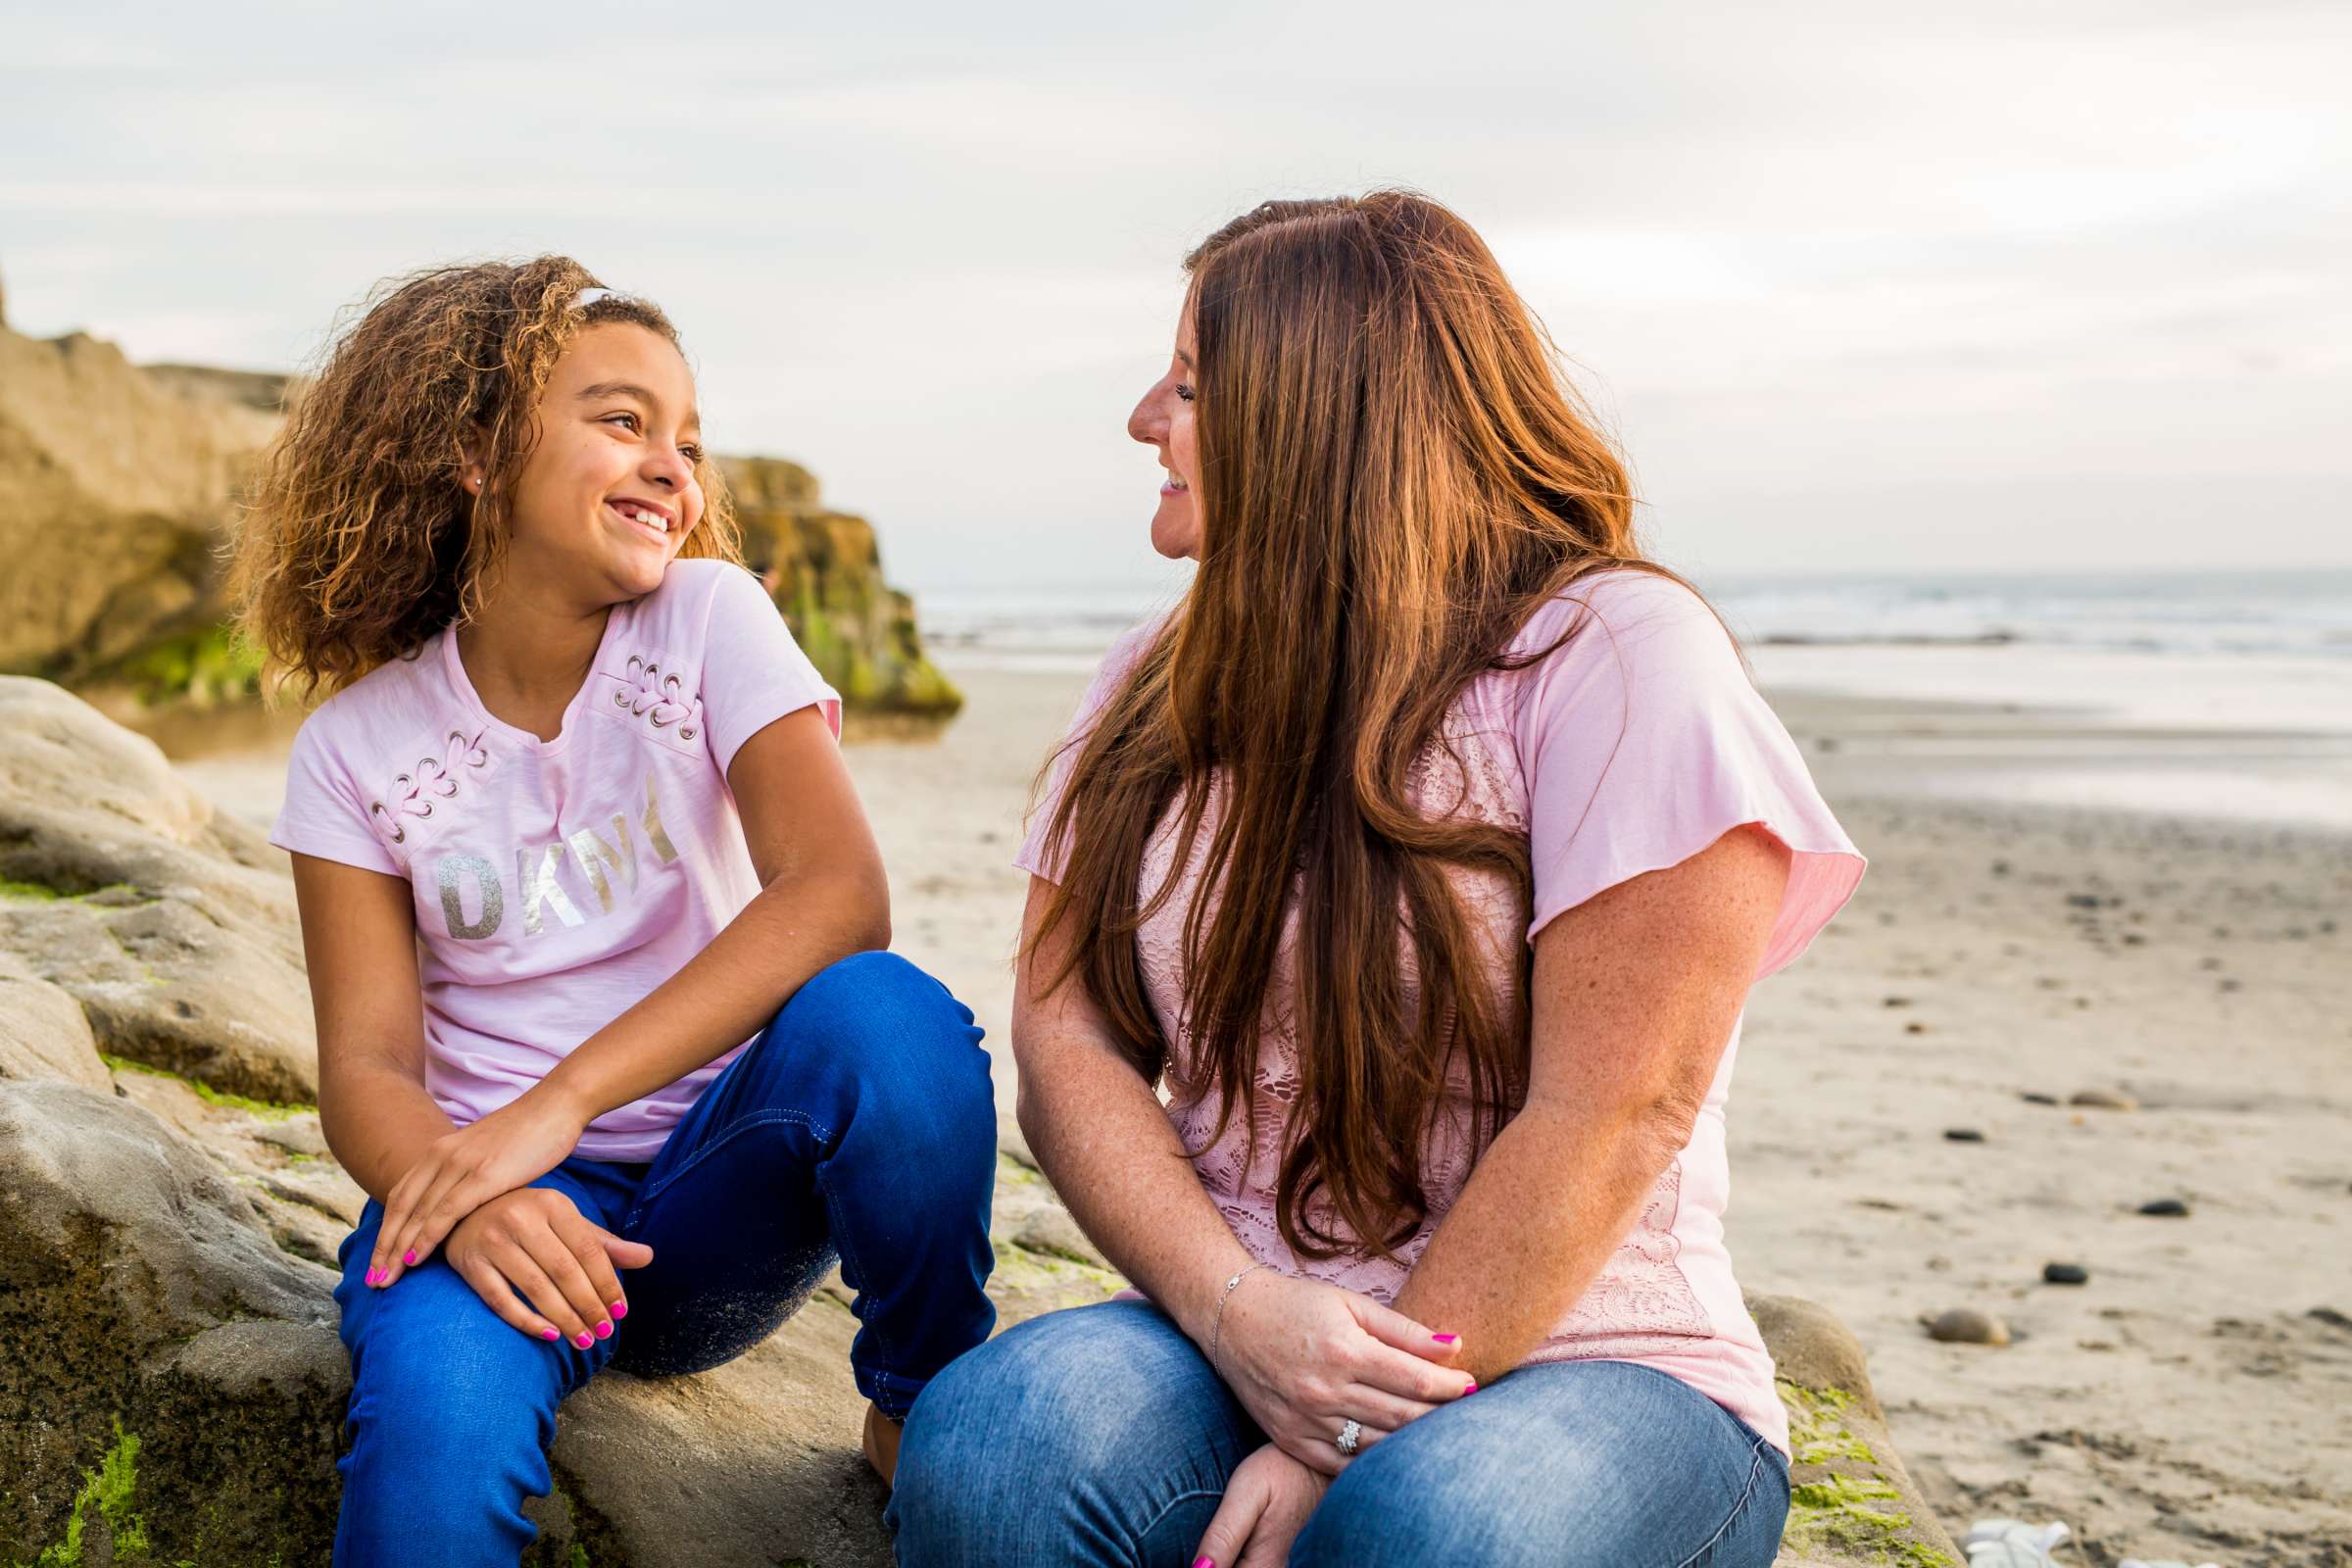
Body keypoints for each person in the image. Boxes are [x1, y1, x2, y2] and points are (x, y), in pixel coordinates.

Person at [887, 193, 1868, 1567]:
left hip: (1596, 1358)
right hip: (1238, 1324)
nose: (1141, 418)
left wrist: (1337, 1435)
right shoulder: (1148, 683)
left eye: (1187, 381)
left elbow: (1617, 1108)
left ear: (1318, 411)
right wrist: (1230, 1308)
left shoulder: (1619, 656)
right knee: (999, 1453)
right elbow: (1067, 1036)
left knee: (1430, 1530)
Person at [230, 259, 997, 1566]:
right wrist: (464, 1199)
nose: (672, 467)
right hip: (497, 1217)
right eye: (623, 420)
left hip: (721, 1192)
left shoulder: (711, 620)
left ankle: (921, 1407)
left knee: (888, 1022)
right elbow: (365, 1063)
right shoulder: (354, 751)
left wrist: (563, 1100)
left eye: (688, 442)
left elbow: (836, 892)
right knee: (427, 1452)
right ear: (474, 449)